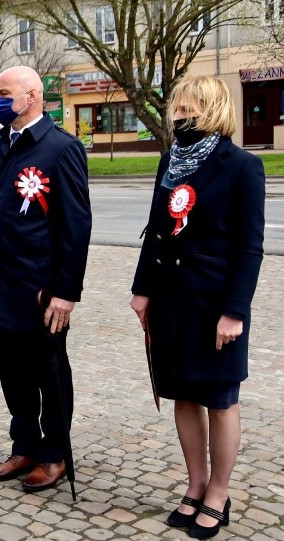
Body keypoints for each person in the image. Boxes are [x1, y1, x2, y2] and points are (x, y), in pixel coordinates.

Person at [130, 76, 264, 539]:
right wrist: (142, 288)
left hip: (214, 304)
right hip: (171, 298)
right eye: (177, 111)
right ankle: (195, 484)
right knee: (183, 394)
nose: (180, 118)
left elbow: (250, 248)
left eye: (190, 111)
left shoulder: (243, 166)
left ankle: (219, 493)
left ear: (214, 111)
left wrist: (236, 311)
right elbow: (156, 229)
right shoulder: (172, 161)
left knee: (220, 399)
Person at [0, 66, 91, 492]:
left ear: (33, 96)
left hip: (40, 287)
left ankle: (54, 453)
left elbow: (75, 227)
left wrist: (66, 291)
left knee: (49, 371)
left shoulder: (61, 148)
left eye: (5, 93)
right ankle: (23, 444)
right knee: (12, 372)